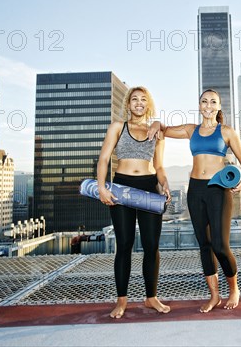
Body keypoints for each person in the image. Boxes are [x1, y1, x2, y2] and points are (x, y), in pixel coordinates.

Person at [150, 89, 241, 312]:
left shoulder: (227, 132)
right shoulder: (191, 130)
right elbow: (164, 131)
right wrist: (157, 123)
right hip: (195, 190)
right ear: (199, 105)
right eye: (204, 101)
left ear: (218, 106)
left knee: (220, 245)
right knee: (204, 245)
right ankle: (214, 295)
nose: (208, 105)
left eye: (212, 102)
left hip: (218, 189)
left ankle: (234, 288)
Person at [96, 86, 172, 318]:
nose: (139, 103)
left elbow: (158, 166)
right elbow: (104, 158)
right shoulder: (117, 127)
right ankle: (121, 301)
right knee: (125, 244)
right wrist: (101, 187)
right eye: (134, 99)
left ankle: (151, 298)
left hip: (149, 188)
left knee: (151, 246)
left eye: (143, 100)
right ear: (128, 104)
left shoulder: (156, 132)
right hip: (122, 188)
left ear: (148, 104)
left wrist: (165, 184)